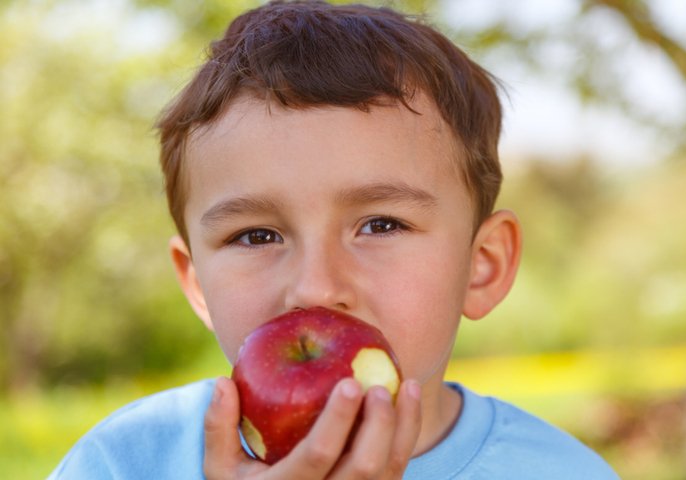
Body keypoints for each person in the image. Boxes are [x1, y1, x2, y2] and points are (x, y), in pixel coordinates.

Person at [49, 1, 620, 478]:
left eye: (380, 225)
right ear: (198, 284)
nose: (316, 289)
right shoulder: (122, 463)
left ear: (484, 266)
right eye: (257, 235)